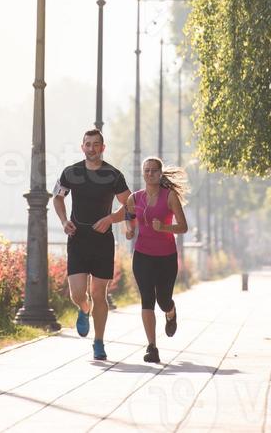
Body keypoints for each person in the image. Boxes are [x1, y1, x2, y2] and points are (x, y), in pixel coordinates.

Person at [53, 128, 130, 361]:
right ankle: (83, 309)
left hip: (102, 241)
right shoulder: (71, 172)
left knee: (99, 293)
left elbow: (130, 205)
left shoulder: (113, 175)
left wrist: (110, 219)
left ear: (103, 148)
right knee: (77, 294)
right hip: (77, 239)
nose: (92, 148)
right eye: (88, 144)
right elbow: (57, 196)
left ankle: (98, 342)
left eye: (96, 144)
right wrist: (64, 221)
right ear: (82, 147)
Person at [125, 156, 188, 364]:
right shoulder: (136, 198)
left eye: (154, 170)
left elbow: (183, 227)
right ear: (143, 174)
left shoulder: (169, 197)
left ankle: (171, 312)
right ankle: (152, 347)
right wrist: (129, 228)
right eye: (147, 170)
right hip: (142, 255)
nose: (150, 173)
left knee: (163, 299)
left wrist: (165, 228)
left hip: (166, 257)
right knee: (146, 299)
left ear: (160, 174)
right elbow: (128, 215)